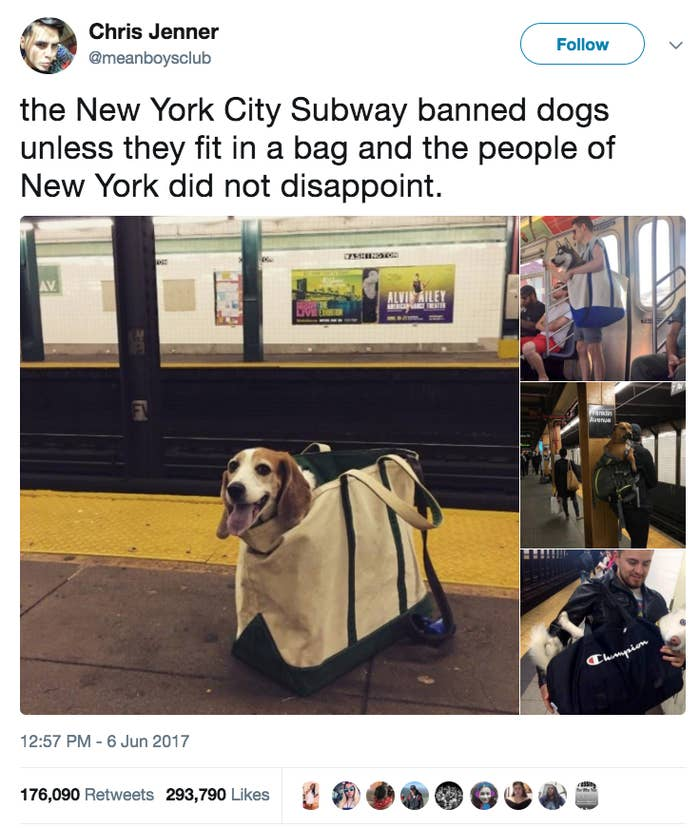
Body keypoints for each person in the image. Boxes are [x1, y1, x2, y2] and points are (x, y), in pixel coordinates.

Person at [538, 550, 685, 713]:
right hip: (599, 693)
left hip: (637, 698)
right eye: (632, 562)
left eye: (646, 563)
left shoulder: (655, 600)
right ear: (616, 557)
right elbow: (556, 633)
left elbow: (668, 643)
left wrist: (681, 659)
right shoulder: (594, 590)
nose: (640, 571)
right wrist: (545, 680)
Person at [549, 217, 609, 380]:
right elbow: (569, 277)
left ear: (583, 227)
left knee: (594, 349)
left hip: (591, 306)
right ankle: (585, 381)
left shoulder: (596, 243)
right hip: (580, 307)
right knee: (581, 347)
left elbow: (599, 263)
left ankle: (597, 385)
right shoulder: (582, 251)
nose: (574, 236)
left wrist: (575, 271)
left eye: (574, 231)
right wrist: (552, 269)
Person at [521, 281, 574, 380]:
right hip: (541, 337)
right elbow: (537, 325)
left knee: (528, 348)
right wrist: (547, 326)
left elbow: (555, 326)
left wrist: (545, 325)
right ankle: (530, 367)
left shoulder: (568, 308)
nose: (553, 290)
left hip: (553, 341)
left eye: (557, 287)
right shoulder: (551, 308)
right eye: (553, 288)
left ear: (566, 292)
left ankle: (543, 376)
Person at [619, 423, 657, 548]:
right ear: (640, 437)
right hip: (640, 507)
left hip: (625, 506)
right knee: (640, 544)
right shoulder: (644, 453)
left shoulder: (620, 453)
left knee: (635, 540)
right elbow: (653, 482)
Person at [631, 297, 686, 380]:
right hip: (677, 355)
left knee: (682, 371)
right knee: (639, 364)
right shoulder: (684, 302)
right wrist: (671, 356)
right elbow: (672, 334)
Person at [553, 448, 582, 520]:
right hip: (570, 484)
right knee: (574, 499)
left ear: (560, 454)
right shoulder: (570, 462)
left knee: (564, 500)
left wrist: (557, 487)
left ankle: (567, 515)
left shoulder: (557, 463)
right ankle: (577, 515)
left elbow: (556, 476)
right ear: (566, 454)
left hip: (562, 486)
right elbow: (577, 472)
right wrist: (578, 480)